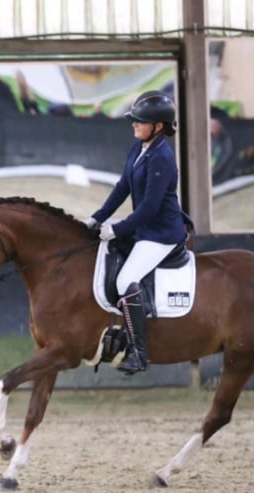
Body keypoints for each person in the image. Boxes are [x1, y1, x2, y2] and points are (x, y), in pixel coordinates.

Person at [83, 91, 190, 375]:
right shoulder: (139, 148)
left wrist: (116, 229)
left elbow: (150, 208)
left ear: (157, 127)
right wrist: (97, 219)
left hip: (161, 233)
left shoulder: (162, 158)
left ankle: (140, 353)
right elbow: (123, 187)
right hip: (145, 228)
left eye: (139, 122)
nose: (134, 125)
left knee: (126, 279)